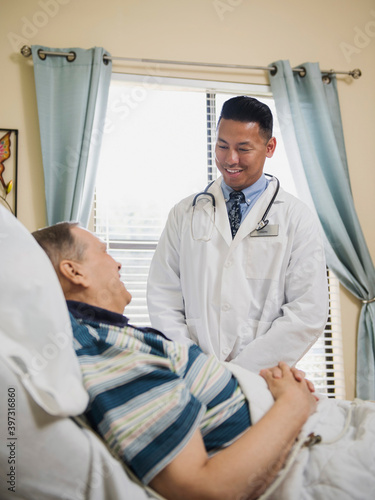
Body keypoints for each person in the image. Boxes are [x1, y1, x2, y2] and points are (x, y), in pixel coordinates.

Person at [32, 221, 319, 500]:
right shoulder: (102, 348)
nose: (117, 263)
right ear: (74, 271)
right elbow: (200, 488)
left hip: (298, 430)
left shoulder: (110, 335)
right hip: (305, 453)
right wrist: (293, 404)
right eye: (104, 251)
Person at [147, 96, 329, 373]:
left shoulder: (296, 217)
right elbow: (163, 296)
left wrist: (241, 373)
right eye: (222, 146)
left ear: (270, 147)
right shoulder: (184, 213)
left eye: (243, 149)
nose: (230, 159)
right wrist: (198, 367)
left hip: (262, 375)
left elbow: (308, 310)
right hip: (194, 372)